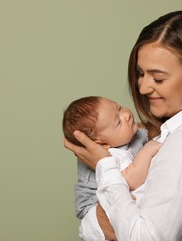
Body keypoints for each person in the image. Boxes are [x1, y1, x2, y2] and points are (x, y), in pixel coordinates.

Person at [64, 10, 182, 241]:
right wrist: (97, 222)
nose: (142, 88)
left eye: (158, 78)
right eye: (140, 74)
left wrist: (104, 165)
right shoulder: (167, 134)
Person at [63, 96, 161, 240]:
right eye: (118, 122)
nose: (127, 115)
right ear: (101, 143)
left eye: (119, 107)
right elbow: (131, 180)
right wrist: (147, 152)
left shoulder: (130, 137)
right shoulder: (113, 156)